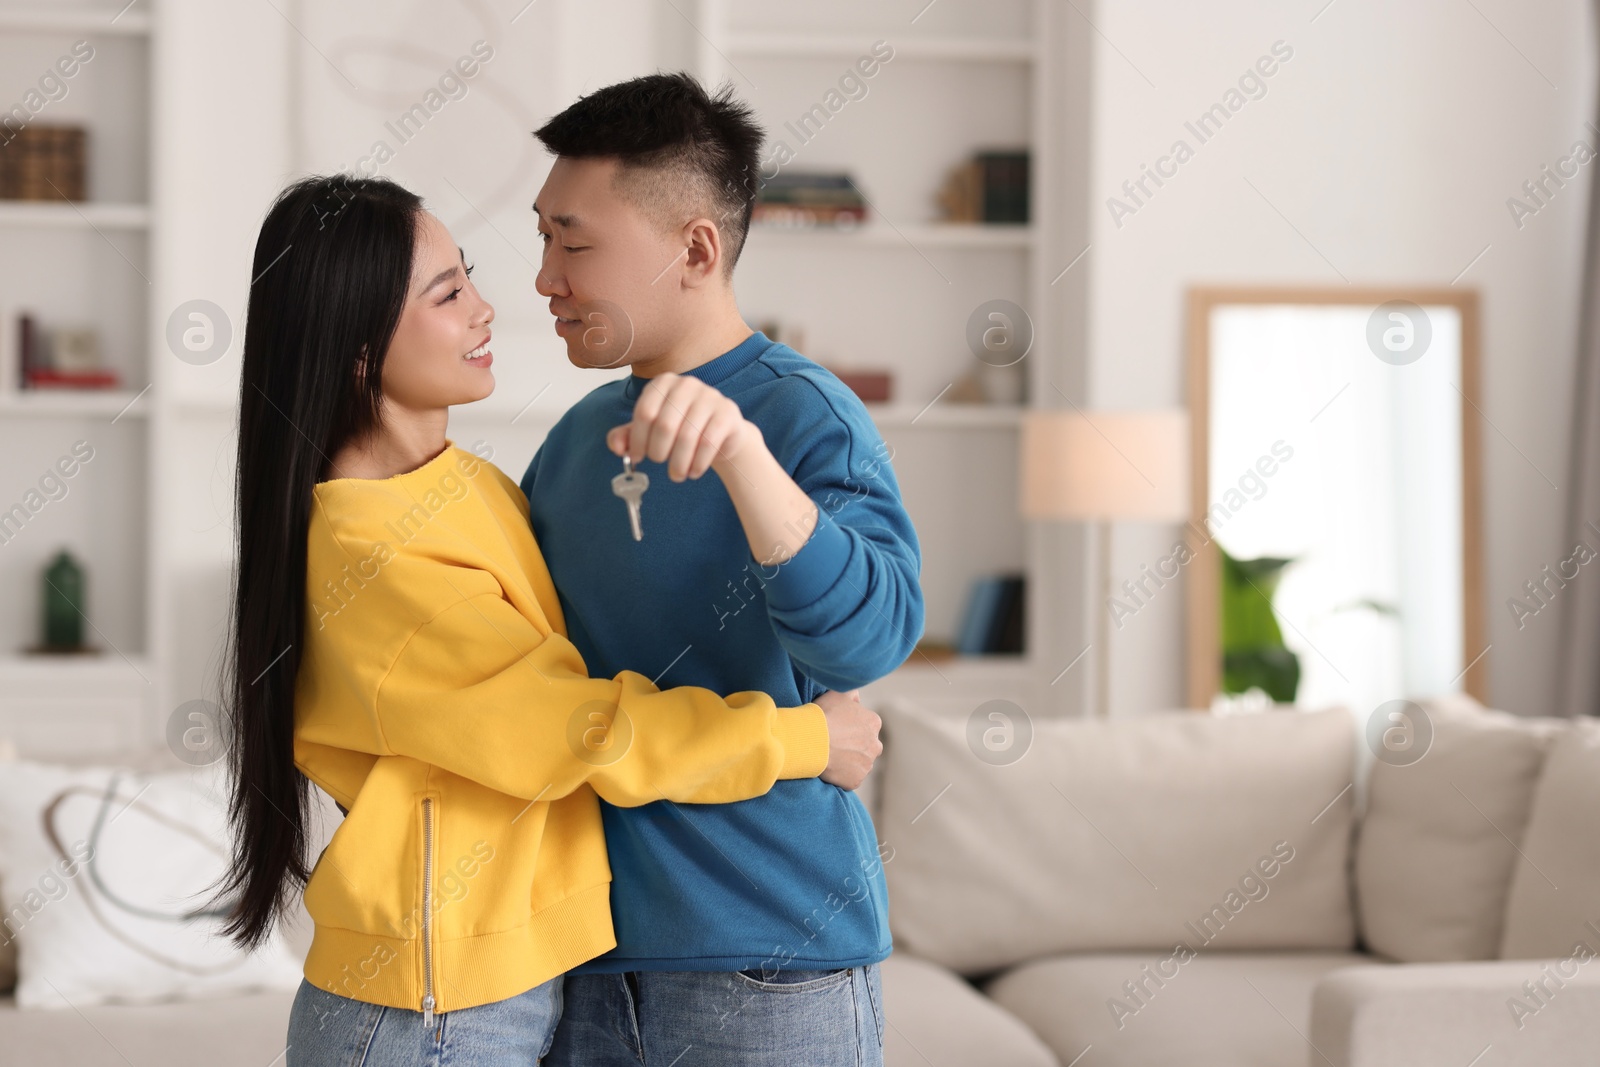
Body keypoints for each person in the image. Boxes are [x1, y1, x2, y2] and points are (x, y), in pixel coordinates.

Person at [209, 174, 885, 1066]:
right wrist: (804, 740)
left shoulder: (472, 484)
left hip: (507, 989)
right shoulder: (378, 551)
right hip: (431, 1011)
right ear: (359, 352)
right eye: (448, 294)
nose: (492, 306)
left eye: (470, 276)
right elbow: (582, 727)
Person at [522, 73, 925, 1066]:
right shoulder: (573, 444)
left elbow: (872, 637)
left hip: (768, 962)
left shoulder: (802, 415)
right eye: (543, 239)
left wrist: (745, 458)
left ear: (695, 249)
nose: (545, 278)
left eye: (574, 243)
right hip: (582, 960)